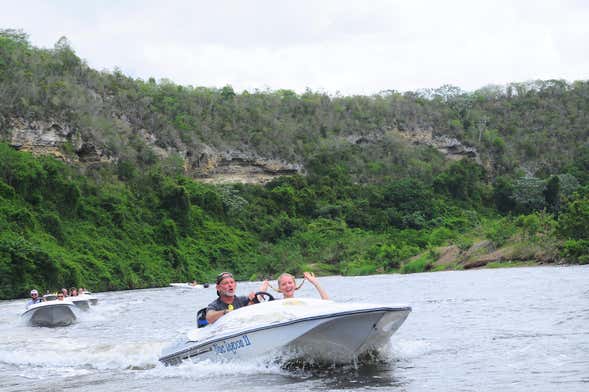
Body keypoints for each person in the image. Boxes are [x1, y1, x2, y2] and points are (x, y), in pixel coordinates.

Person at [260, 271, 329, 300]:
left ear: (295, 285)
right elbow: (254, 310)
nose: (287, 286)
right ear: (279, 288)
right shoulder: (275, 303)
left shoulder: (303, 302)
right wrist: (261, 292)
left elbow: (327, 303)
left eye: (290, 283)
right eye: (283, 284)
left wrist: (315, 283)